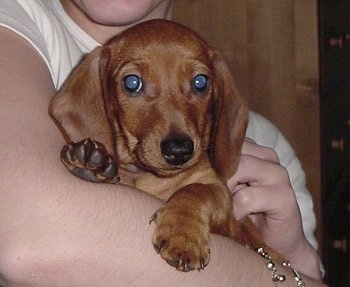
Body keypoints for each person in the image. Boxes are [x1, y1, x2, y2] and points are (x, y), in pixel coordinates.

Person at [0, 0, 326, 286]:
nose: (176, 128)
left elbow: (214, 196)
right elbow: (28, 247)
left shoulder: (263, 148)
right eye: (133, 83)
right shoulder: (20, 25)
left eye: (199, 84)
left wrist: (296, 255)